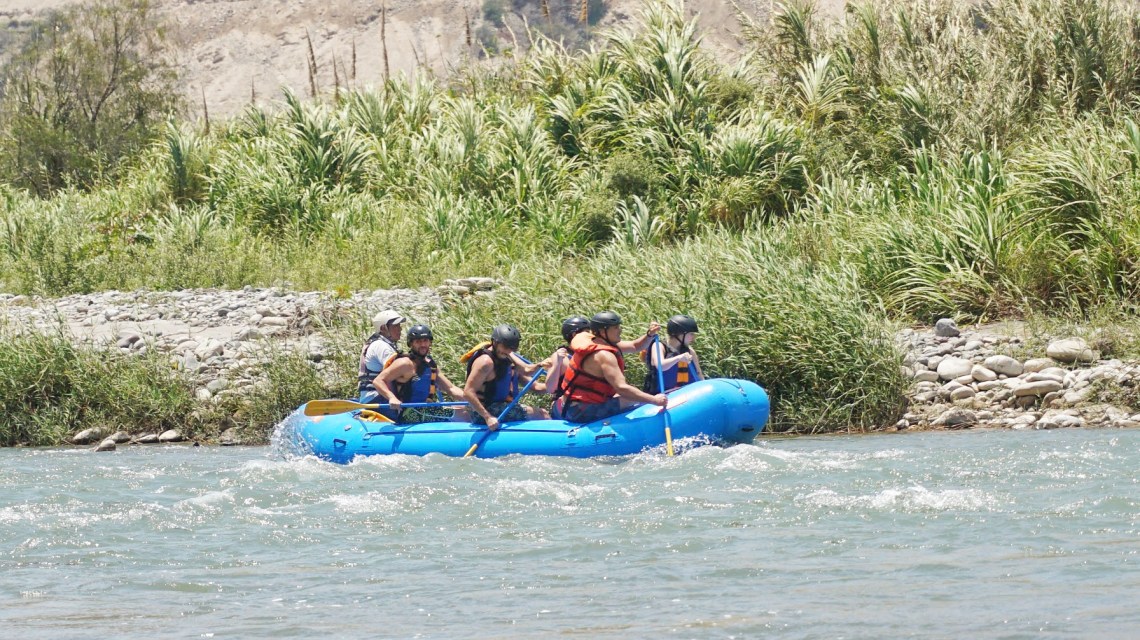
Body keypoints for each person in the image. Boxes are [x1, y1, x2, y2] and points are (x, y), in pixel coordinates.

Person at [560, 311, 667, 423]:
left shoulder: (599, 342)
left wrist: (649, 334)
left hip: (574, 406)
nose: (620, 330)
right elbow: (622, 388)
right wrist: (655, 400)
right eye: (616, 328)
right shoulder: (604, 355)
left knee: (631, 394)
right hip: (581, 411)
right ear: (603, 331)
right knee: (629, 398)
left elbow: (635, 346)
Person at [372, 324, 468, 423]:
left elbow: (451, 388)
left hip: (426, 408)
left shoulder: (431, 365)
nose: (422, 345)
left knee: (464, 408)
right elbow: (378, 381)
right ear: (411, 344)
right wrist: (391, 398)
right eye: (418, 341)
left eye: (425, 341)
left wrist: (473, 399)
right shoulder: (404, 363)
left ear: (430, 342)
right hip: (409, 413)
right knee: (463, 414)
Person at [462, 324, 548, 431]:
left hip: (500, 406)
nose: (508, 350)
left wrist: (541, 365)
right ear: (495, 342)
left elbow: (526, 370)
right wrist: (488, 417)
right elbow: (468, 392)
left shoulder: (507, 354)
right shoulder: (485, 363)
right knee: (541, 415)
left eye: (511, 348)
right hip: (484, 411)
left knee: (543, 413)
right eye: (505, 347)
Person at [539, 315, 590, 419]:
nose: (591, 336)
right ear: (574, 335)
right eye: (587, 332)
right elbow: (550, 388)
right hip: (564, 404)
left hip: (585, 400)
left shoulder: (589, 355)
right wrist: (557, 363)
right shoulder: (562, 357)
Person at [643, 314, 704, 394]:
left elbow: (699, 373)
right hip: (660, 395)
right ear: (680, 334)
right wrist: (679, 358)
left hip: (684, 393)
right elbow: (661, 366)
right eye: (691, 334)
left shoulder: (690, 351)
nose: (693, 337)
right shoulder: (659, 346)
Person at [357, 309, 404, 403]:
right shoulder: (381, 346)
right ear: (383, 328)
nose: (400, 329)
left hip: (375, 397)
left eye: (399, 325)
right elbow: (399, 372)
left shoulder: (381, 343)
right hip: (376, 397)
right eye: (395, 326)